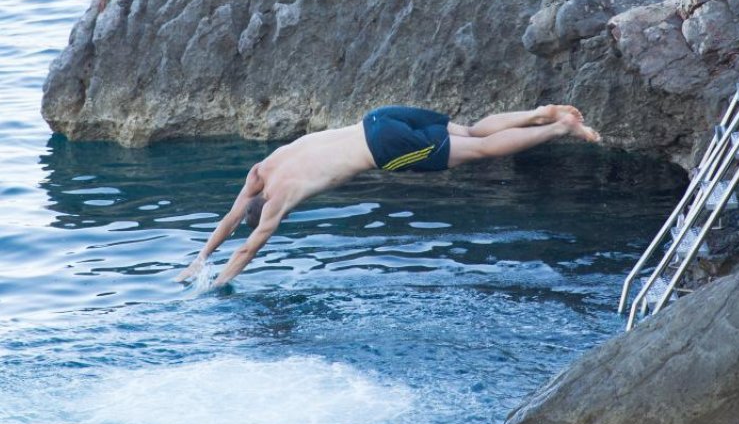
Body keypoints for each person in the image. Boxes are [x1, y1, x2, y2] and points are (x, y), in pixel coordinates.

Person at [175, 105, 601, 287]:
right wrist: (200, 258)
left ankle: (560, 128)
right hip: (378, 118)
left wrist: (217, 285)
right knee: (470, 130)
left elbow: (247, 245)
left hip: (385, 149)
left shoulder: (277, 199)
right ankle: (538, 113)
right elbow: (229, 220)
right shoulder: (261, 171)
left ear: (263, 209)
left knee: (481, 152)